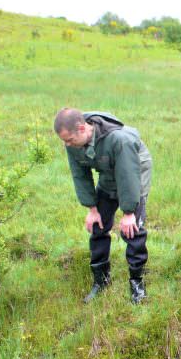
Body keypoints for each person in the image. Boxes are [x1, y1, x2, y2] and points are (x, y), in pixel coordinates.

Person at [54, 109, 152, 304]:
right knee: (98, 226)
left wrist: (129, 212)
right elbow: (79, 175)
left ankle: (137, 283)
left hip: (134, 170)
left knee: (132, 231)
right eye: (64, 141)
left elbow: (127, 176)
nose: (67, 145)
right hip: (107, 170)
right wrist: (92, 208)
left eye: (70, 139)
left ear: (82, 129)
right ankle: (101, 280)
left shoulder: (119, 140)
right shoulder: (73, 143)